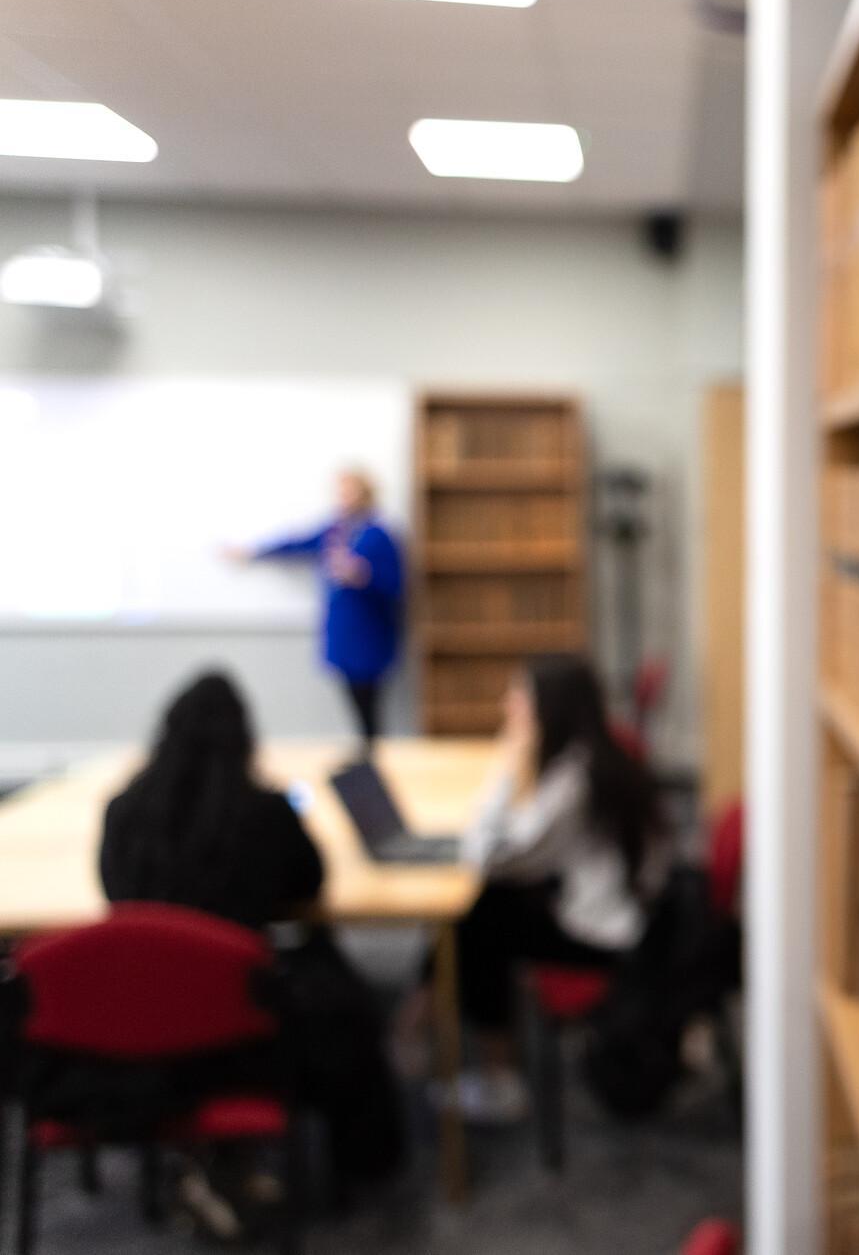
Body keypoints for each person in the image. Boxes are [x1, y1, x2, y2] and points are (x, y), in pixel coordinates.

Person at [98, 671, 406, 1199]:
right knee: (345, 1003)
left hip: (140, 1019)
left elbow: (113, 895)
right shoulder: (261, 812)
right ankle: (364, 1168)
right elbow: (311, 882)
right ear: (244, 737)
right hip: (246, 1024)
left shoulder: (123, 811)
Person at [443, 654, 669, 1123]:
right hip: (615, 911)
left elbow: (489, 856)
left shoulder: (574, 780)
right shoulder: (593, 756)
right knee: (486, 906)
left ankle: (498, 1078)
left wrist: (506, 765)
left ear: (549, 708)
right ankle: (424, 1015)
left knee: (478, 919)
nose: (508, 705)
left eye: (519, 696)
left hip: (605, 935)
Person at [233, 467, 403, 745]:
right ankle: (366, 757)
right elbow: (295, 544)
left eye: (350, 491)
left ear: (365, 494)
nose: (344, 498)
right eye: (341, 492)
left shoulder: (379, 535)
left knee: (369, 708)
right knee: (353, 702)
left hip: (370, 637)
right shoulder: (335, 531)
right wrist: (253, 551)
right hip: (342, 635)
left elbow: (395, 585)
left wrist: (362, 575)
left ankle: (372, 762)